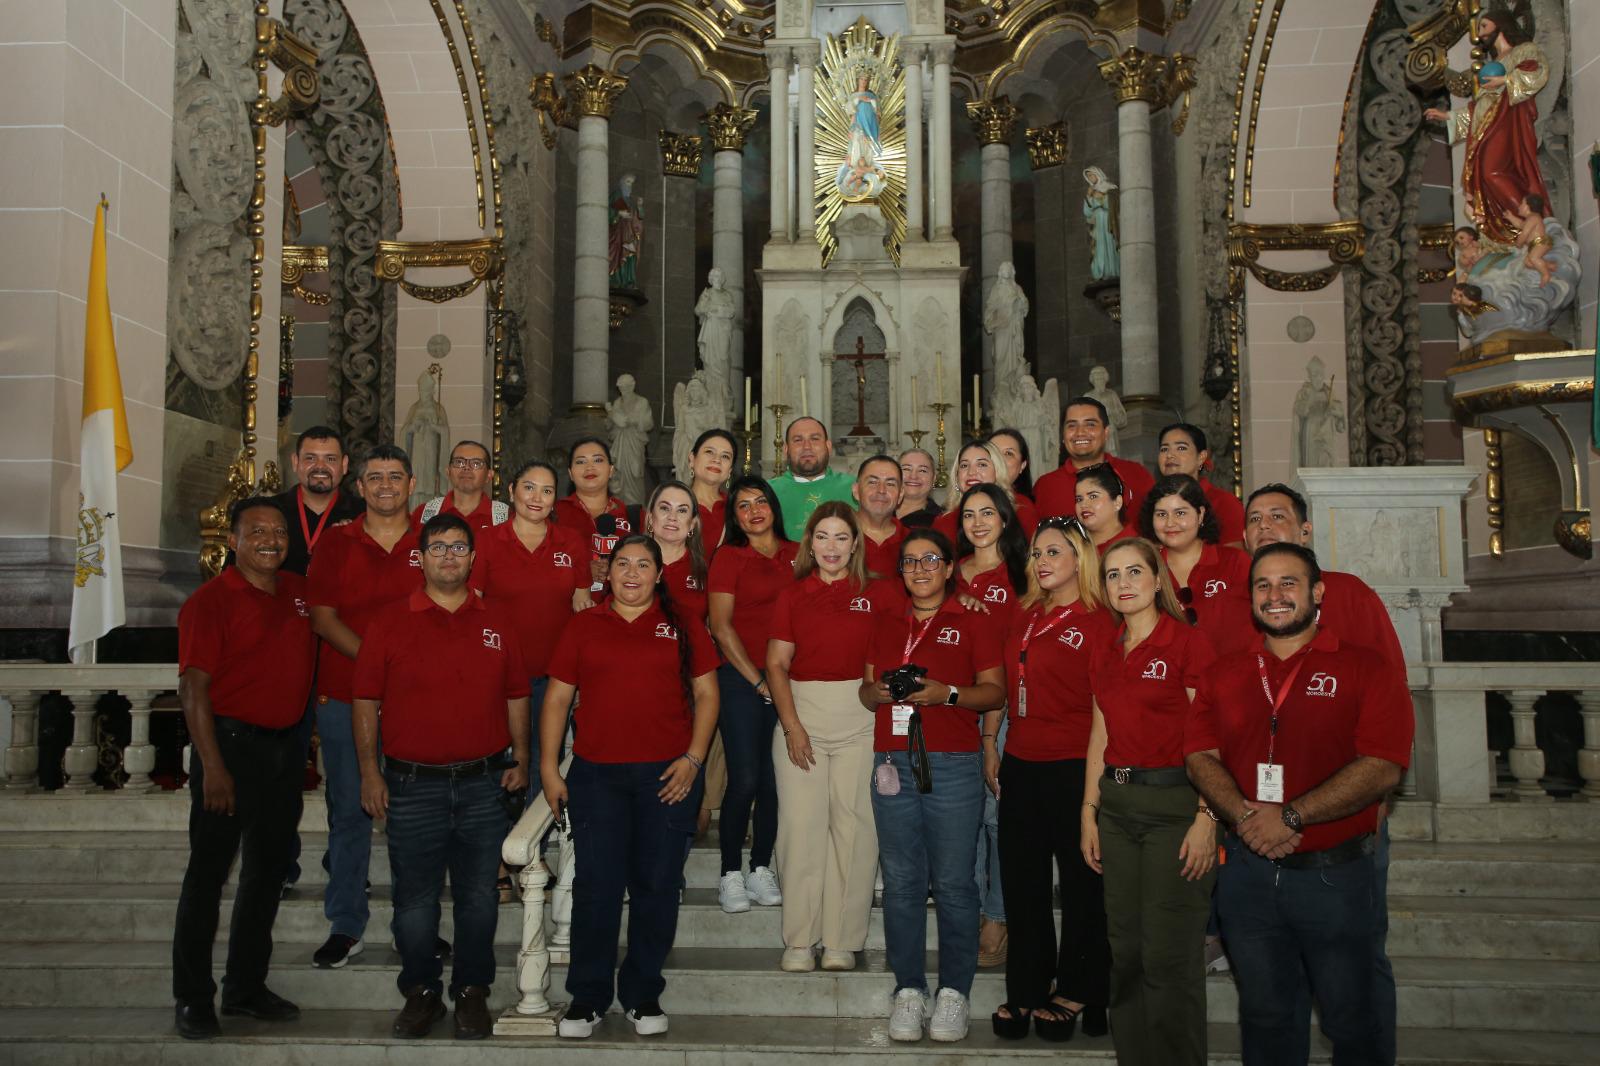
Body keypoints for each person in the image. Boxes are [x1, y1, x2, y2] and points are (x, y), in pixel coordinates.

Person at [1185, 543, 1414, 1065]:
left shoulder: (1364, 667)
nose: (1275, 595)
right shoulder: (1227, 672)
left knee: (1353, 1019)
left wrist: (1291, 815)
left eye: (1289, 583)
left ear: (1317, 593)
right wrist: (1245, 815)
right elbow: (1199, 753)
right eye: (1263, 585)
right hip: (1248, 878)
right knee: (1265, 1018)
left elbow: (1383, 764)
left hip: (1333, 879)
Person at [1242, 482, 1406, 1062]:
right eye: (1254, 518)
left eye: (1278, 517)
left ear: (1306, 532)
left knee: (1356, 985)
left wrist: (1374, 800)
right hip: (1257, 830)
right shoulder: (1253, 605)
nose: (1264, 526)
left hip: (1342, 828)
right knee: (1269, 998)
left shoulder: (1350, 596)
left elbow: (1387, 711)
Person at [350, 513, 529, 1040]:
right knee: (413, 900)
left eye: (458, 547)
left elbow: (518, 693)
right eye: (437, 547)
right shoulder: (389, 621)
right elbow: (365, 700)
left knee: (478, 897)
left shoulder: (498, 620)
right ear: (421, 557)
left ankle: (472, 992)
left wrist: (520, 757)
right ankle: (421, 991)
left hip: (482, 783)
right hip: (410, 785)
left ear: (473, 558)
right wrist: (368, 770)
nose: (448, 555)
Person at [542, 536, 720, 1038]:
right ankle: (587, 997)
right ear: (609, 572)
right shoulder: (584, 625)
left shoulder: (683, 625)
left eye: (644, 564)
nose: (633, 572)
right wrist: (550, 770)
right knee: (595, 889)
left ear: (659, 574)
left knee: (657, 887)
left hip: (667, 777)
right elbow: (557, 700)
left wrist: (694, 759)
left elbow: (708, 695)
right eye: (623, 563)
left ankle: (642, 995)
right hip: (597, 777)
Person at [172, 498, 315, 1040]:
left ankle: (245, 986)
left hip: (283, 753)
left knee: (265, 875)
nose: (270, 540)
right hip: (228, 751)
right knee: (207, 879)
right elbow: (193, 690)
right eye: (257, 531)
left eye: (278, 531)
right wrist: (213, 767)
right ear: (233, 541)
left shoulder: (299, 593)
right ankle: (192, 997)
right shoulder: (210, 602)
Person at [860, 529, 1006, 1043]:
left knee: (954, 882)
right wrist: (876, 692)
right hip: (893, 762)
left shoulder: (972, 619)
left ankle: (954, 994)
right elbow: (865, 688)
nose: (920, 569)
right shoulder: (886, 621)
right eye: (909, 561)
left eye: (931, 560)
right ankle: (908, 990)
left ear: (949, 568)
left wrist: (946, 696)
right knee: (900, 882)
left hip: (953, 763)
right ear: (900, 570)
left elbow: (995, 691)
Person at [1084, 537, 1218, 1066]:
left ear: (1157, 578)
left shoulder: (1186, 644)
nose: (1124, 583)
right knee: (1128, 953)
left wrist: (1208, 817)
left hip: (1174, 810)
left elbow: (1208, 741)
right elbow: (1099, 734)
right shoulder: (1106, 647)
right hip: (1116, 807)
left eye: (1134, 571)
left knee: (1169, 957)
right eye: (1113, 574)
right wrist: (1087, 812)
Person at [992, 516, 1115, 1042]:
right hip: (1021, 762)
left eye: (1055, 552)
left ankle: (1081, 987)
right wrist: (987, 745)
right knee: (1023, 886)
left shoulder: (1100, 620)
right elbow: (1005, 687)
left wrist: (1091, 798)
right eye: (1037, 553)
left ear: (1080, 559)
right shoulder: (1024, 615)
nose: (1042, 561)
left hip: (1074, 767)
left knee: (1085, 884)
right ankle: (1026, 987)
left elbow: (1105, 713)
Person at [305, 444, 425, 970]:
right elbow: (322, 618)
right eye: (374, 477)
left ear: (411, 483)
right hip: (344, 693)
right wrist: (378, 662)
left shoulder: (431, 541)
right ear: (359, 486)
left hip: (416, 698)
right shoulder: (336, 545)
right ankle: (346, 923)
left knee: (413, 818)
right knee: (350, 809)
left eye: (394, 477)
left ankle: (412, 927)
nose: (384, 486)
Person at [767, 502, 898, 973]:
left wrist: (967, 598)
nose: (832, 547)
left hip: (861, 714)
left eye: (842, 537)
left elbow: (931, 600)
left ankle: (842, 937)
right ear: (810, 543)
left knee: (856, 827)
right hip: (802, 711)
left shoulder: (879, 594)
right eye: (823, 536)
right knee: (800, 828)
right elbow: (776, 665)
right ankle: (800, 938)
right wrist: (792, 726)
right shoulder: (793, 595)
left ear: (856, 544)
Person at [707, 476, 799, 913]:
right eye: (743, 506)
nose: (754, 510)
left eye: (761, 501)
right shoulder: (729, 557)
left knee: (773, 779)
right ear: (735, 516)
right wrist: (757, 681)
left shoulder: (797, 554)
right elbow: (721, 627)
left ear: (773, 506)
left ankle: (761, 866)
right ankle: (729, 872)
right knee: (744, 778)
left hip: (788, 677)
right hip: (741, 678)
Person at [467, 461, 591, 779]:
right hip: (498, 674)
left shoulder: (571, 542)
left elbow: (583, 610)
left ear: (555, 499)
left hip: (554, 677)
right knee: (499, 759)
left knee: (542, 762)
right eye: (529, 487)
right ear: (511, 491)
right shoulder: (487, 542)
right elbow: (471, 606)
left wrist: (583, 677)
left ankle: (538, 831)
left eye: (547, 490)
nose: (537, 497)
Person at [951, 483, 1029, 970]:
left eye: (987, 513)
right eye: (968, 515)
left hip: (1005, 710)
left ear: (1004, 518)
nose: (977, 523)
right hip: (953, 707)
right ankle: (974, 910)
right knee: (965, 819)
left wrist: (992, 731)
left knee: (999, 815)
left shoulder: (1023, 574)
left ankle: (997, 915)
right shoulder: (946, 572)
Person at [1140, 474, 1254, 656]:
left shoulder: (1235, 562)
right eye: (1161, 514)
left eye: (1180, 513)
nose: (1170, 523)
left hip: (1234, 676)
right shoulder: (1146, 568)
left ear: (1200, 514)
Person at [1033, 398, 1155, 523]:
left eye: (1090, 424)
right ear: (1063, 435)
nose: (1080, 432)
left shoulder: (1137, 475)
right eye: (1072, 425)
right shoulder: (1045, 486)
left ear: (1106, 433)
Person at [269, 426, 364, 577]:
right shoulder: (267, 511)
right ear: (295, 462)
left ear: (344, 465)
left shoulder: (364, 515)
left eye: (330, 459)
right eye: (310, 458)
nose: (320, 466)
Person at [555, 437, 634, 592]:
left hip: (620, 609)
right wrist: (581, 572)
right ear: (570, 473)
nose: (589, 467)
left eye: (598, 460)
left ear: (611, 470)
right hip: (568, 608)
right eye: (580, 462)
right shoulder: (554, 513)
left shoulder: (633, 515)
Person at [1155, 423, 1243, 548]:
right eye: (1164, 449)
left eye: (1181, 448)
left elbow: (1234, 560)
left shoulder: (1224, 503)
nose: (1170, 455)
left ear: (1201, 457)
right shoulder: (1152, 502)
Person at [935, 439, 1039, 543]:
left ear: (997, 471)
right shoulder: (944, 523)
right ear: (957, 476)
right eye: (964, 465)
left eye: (982, 465)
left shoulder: (1021, 510)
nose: (971, 472)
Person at [768, 417, 855, 539]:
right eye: (798, 440)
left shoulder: (853, 488)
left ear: (828, 446)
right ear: (786, 449)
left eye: (814, 439)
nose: (807, 446)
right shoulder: (767, 491)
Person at [644, 480, 711, 625]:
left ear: (692, 524)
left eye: (682, 510)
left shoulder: (707, 570)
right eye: (664, 508)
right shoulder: (626, 562)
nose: (672, 517)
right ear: (650, 518)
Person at [410, 440, 508, 530]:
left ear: (489, 475)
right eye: (459, 462)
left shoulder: (504, 517)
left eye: (476, 463)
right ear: (448, 472)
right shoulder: (425, 514)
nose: (466, 468)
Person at [853, 454, 907, 578]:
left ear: (900, 495)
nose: (881, 490)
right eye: (872, 482)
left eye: (890, 484)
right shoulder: (834, 537)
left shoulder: (912, 542)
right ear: (856, 491)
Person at [687, 428, 736, 556]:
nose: (717, 460)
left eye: (725, 456)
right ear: (692, 459)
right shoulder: (672, 503)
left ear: (730, 470)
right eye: (709, 452)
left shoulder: (737, 508)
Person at [1074, 463, 1137, 551]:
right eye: (1079, 499)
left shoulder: (1136, 548)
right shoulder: (1073, 548)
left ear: (1117, 502)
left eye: (1093, 496)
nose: (1083, 504)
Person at [897, 447, 943, 527]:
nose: (913, 476)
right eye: (907, 469)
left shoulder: (942, 520)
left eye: (922, 470)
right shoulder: (879, 508)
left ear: (934, 479)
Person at [988, 427, 1035, 500]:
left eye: (1008, 453)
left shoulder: (1023, 508)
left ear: (1022, 465)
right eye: (993, 451)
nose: (999, 458)